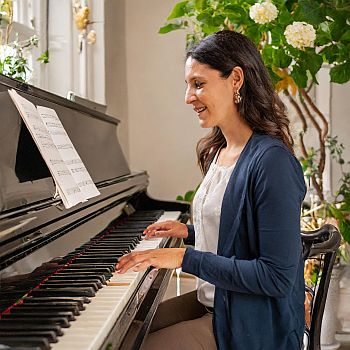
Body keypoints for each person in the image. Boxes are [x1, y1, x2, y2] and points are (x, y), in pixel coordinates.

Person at [116, 30, 306, 350]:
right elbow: (236, 228)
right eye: (188, 85)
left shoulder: (272, 162)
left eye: (198, 84)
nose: (188, 97)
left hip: (252, 322)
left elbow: (276, 276)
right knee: (123, 332)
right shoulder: (221, 149)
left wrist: (183, 257)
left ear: (235, 79)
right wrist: (188, 232)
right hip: (219, 300)